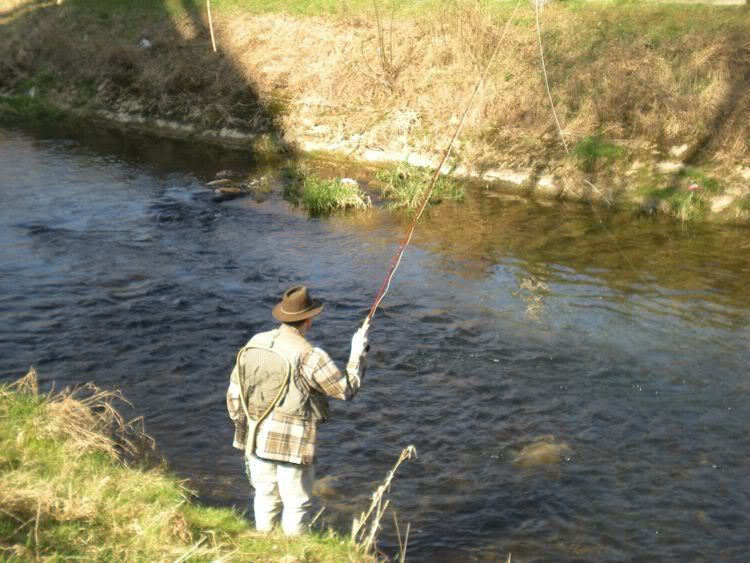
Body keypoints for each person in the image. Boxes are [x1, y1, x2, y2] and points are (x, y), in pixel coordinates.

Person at [226, 285, 369, 536]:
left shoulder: (254, 342)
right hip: (293, 443)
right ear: (309, 320)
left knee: (266, 494)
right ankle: (291, 553)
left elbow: (235, 391)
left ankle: (264, 547)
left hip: (254, 436)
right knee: (297, 503)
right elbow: (345, 390)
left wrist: (244, 429)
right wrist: (357, 352)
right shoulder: (310, 356)